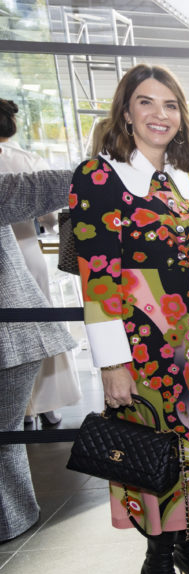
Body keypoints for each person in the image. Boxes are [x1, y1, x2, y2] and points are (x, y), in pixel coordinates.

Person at [70, 64, 189, 574]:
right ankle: (159, 566)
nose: (159, 114)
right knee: (159, 459)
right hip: (141, 350)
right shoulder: (99, 177)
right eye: (146, 103)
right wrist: (112, 364)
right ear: (126, 112)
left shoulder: (183, 180)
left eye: (170, 104)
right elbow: (96, 276)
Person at [0, 169, 76, 543]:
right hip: (12, 331)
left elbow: (29, 190)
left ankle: (12, 518)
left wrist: (102, 168)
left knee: (5, 433)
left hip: (9, 333)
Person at [0, 99, 82, 428]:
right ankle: (46, 405)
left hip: (11, 254)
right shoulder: (23, 158)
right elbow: (49, 217)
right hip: (26, 253)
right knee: (36, 329)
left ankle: (22, 414)